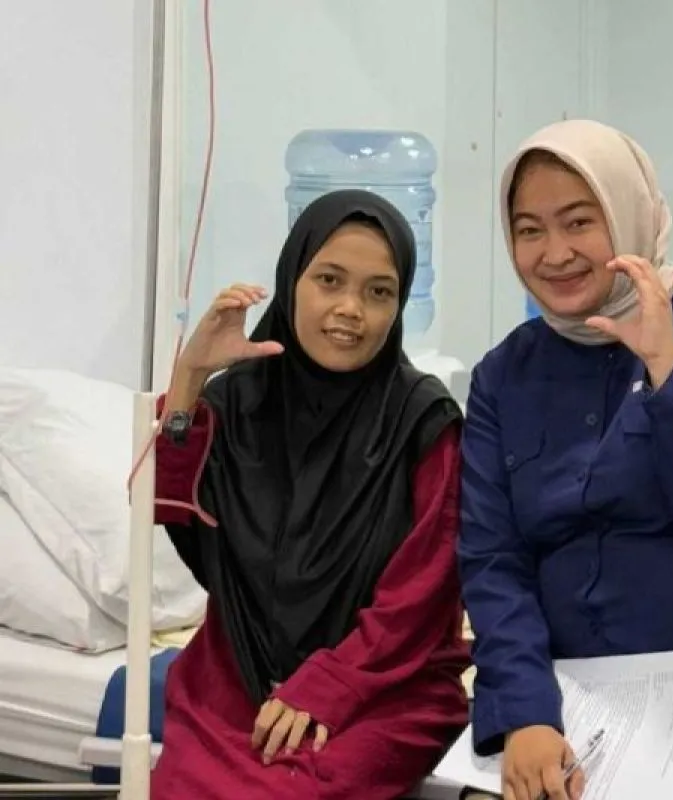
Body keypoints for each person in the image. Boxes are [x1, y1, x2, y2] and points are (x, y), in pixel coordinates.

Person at [458, 119, 673, 800]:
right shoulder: (504, 374)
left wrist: (668, 369)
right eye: (529, 230)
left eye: (579, 222)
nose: (555, 253)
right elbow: (494, 559)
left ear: (630, 215)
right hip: (568, 705)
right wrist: (525, 711)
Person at [149, 190, 470, 799]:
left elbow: (421, 600)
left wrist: (329, 684)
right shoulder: (236, 403)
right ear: (292, 279)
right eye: (329, 280)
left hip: (383, 687)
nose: (351, 308)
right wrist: (190, 376)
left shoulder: (422, 423)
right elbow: (169, 510)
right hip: (235, 681)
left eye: (379, 292)